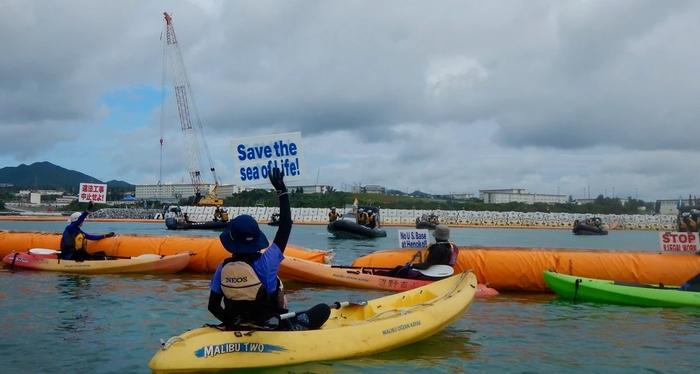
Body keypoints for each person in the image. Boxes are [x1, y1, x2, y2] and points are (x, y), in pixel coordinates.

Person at [208, 167, 330, 331]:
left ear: (231, 241)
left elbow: (213, 306)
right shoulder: (267, 261)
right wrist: (282, 191)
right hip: (271, 327)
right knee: (324, 309)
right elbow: (285, 226)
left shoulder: (222, 268)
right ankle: (296, 326)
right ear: (257, 239)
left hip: (237, 325)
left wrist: (232, 322)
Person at [390, 224, 458, 279]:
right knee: (400, 268)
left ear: (436, 236)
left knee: (400, 269)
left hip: (433, 274)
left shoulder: (437, 248)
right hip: (445, 272)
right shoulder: (451, 246)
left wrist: (411, 265)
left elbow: (425, 266)